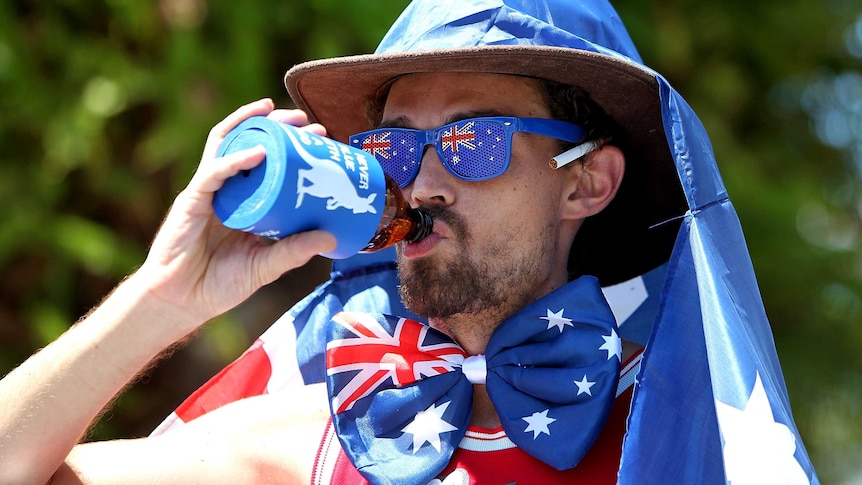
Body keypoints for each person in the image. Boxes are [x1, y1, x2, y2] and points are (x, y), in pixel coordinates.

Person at [0, 1, 818, 484]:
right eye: (393, 146)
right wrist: (161, 300)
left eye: (473, 141)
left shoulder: (702, 444)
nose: (419, 182)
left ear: (586, 182)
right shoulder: (311, 441)